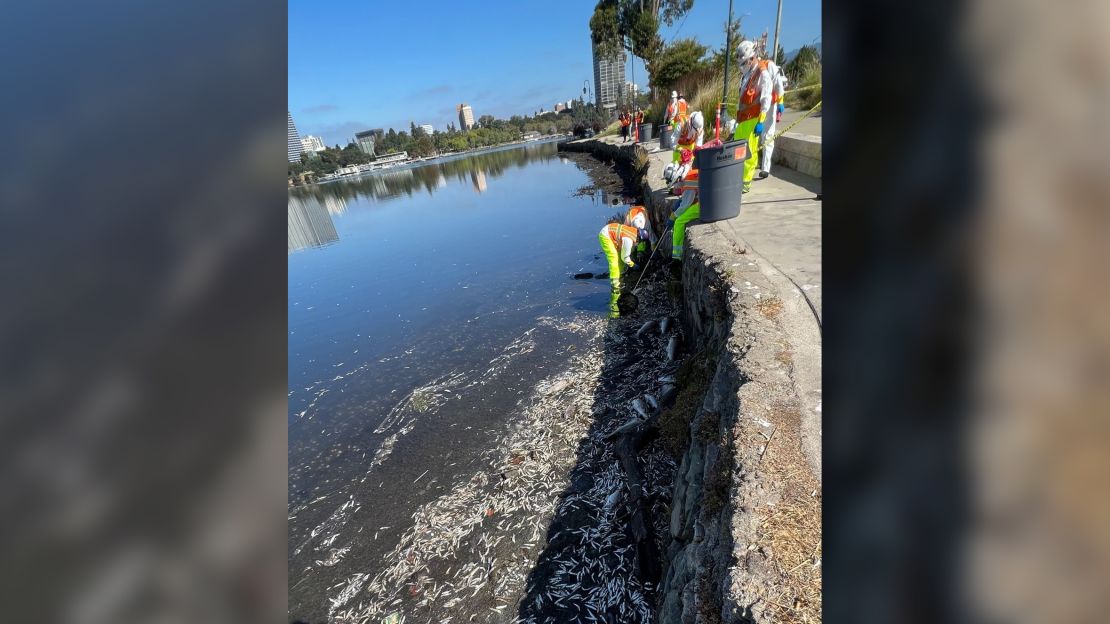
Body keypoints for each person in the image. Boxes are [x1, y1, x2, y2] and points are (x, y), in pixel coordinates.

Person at [726, 40, 773, 194]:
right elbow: (742, 100)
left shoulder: (762, 73)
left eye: (744, 62)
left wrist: (761, 121)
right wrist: (737, 122)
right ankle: (738, 178)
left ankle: (745, 182)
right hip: (743, 120)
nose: (742, 65)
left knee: (749, 152)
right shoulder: (747, 75)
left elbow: (766, 99)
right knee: (738, 151)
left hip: (753, 119)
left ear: (752, 58)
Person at [598, 218, 640, 318]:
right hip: (605, 235)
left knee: (619, 258)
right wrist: (633, 265)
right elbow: (625, 258)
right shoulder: (629, 240)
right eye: (638, 243)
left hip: (610, 234)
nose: (637, 245)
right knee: (613, 258)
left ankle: (620, 274)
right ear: (638, 239)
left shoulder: (632, 233)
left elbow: (623, 257)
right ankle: (615, 282)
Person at [758, 60, 788, 179]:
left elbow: (778, 84)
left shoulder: (769, 66)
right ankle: (757, 161)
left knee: (767, 136)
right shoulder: (753, 69)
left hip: (770, 105)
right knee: (759, 136)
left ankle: (765, 168)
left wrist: (780, 102)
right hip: (758, 106)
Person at [669, 149, 701, 261]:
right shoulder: (690, 175)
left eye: (674, 185)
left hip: (703, 205)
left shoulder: (689, 182)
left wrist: (674, 215)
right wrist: (681, 200)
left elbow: (686, 205)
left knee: (679, 222)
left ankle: (677, 255)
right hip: (706, 200)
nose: (675, 188)